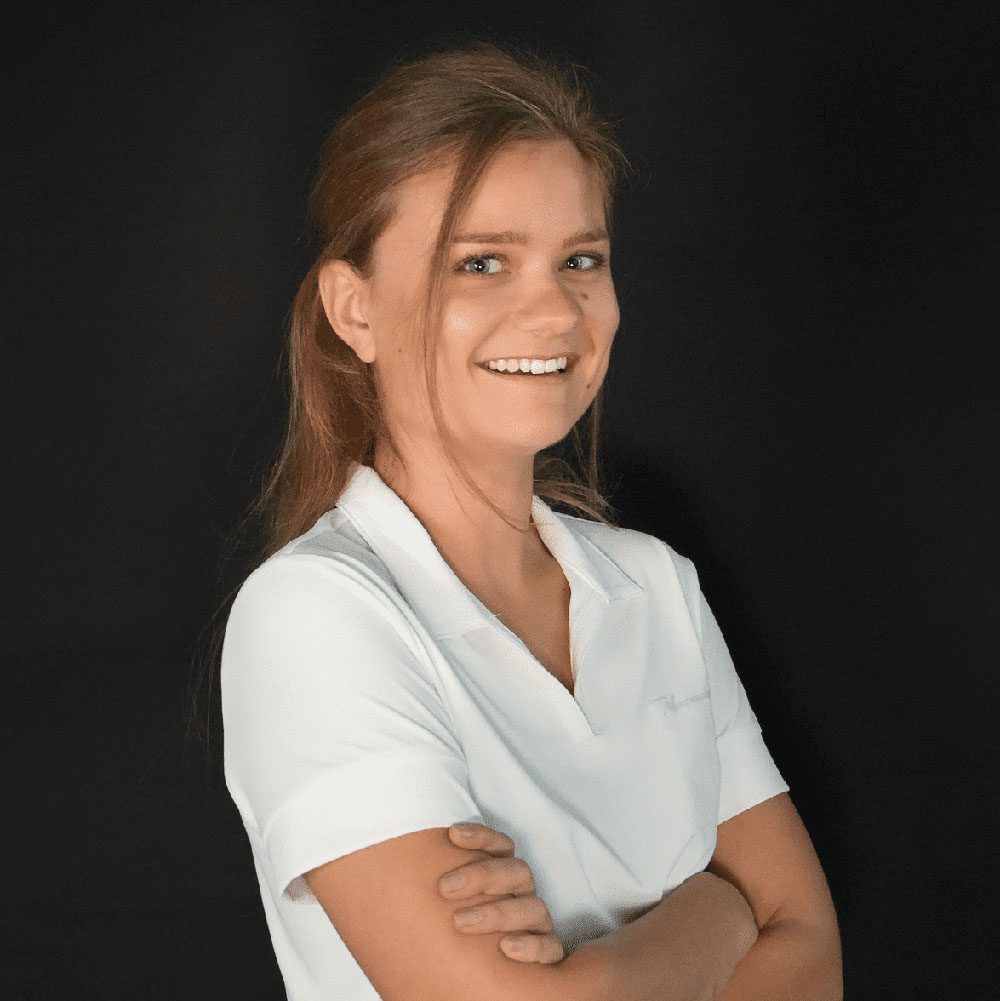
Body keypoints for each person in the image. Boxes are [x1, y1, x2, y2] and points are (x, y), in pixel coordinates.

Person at [219, 40, 842, 1001]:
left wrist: (599, 974)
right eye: (480, 262)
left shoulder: (656, 586)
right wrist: (718, 914)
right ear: (356, 311)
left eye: (580, 258)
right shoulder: (314, 615)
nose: (553, 309)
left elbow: (809, 948)